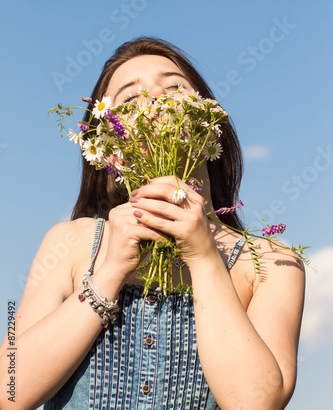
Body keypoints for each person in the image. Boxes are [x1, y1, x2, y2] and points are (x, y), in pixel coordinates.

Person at [0, 37, 305, 410]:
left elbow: (257, 403)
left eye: (175, 86)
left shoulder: (273, 263)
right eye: (130, 98)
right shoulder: (69, 242)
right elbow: (8, 391)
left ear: (211, 124)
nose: (156, 96)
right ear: (108, 147)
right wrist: (108, 273)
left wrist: (205, 258)